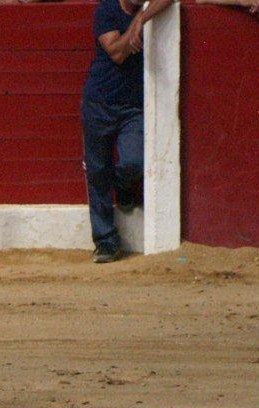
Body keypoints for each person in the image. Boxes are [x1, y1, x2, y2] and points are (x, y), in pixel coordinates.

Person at [80, 0, 174, 263]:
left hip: (133, 106)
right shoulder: (106, 9)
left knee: (134, 161)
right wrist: (130, 35)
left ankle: (123, 187)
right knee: (98, 173)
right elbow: (116, 53)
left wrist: (141, 19)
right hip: (99, 103)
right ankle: (106, 242)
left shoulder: (143, 9)